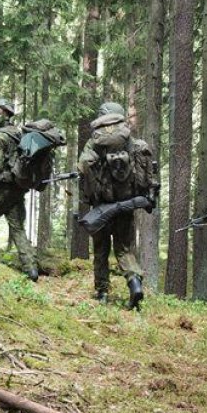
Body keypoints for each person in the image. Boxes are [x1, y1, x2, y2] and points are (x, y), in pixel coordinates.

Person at [78, 101, 158, 310]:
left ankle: (102, 293)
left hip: (101, 205)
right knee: (123, 250)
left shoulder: (94, 142)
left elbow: (83, 168)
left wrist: (89, 198)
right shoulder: (131, 141)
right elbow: (147, 174)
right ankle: (135, 284)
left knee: (101, 250)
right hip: (126, 205)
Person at [0, 98, 39, 281]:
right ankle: (31, 269)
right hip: (17, 190)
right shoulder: (18, 134)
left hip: (0, 190)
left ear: (7, 114)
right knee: (18, 228)